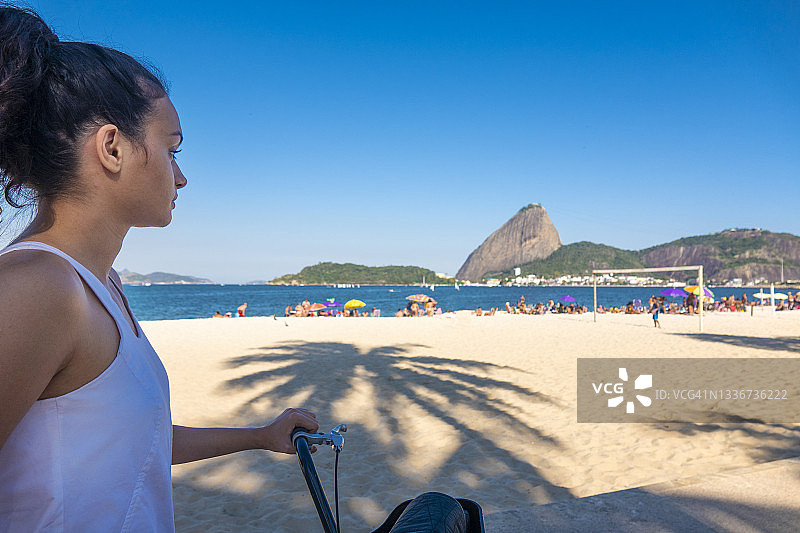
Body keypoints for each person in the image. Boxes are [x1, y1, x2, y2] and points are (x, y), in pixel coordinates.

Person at [0, 6, 318, 530]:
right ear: (112, 148)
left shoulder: (102, 286)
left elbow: (132, 441)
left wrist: (258, 435)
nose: (182, 176)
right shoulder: (38, 288)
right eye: (171, 149)